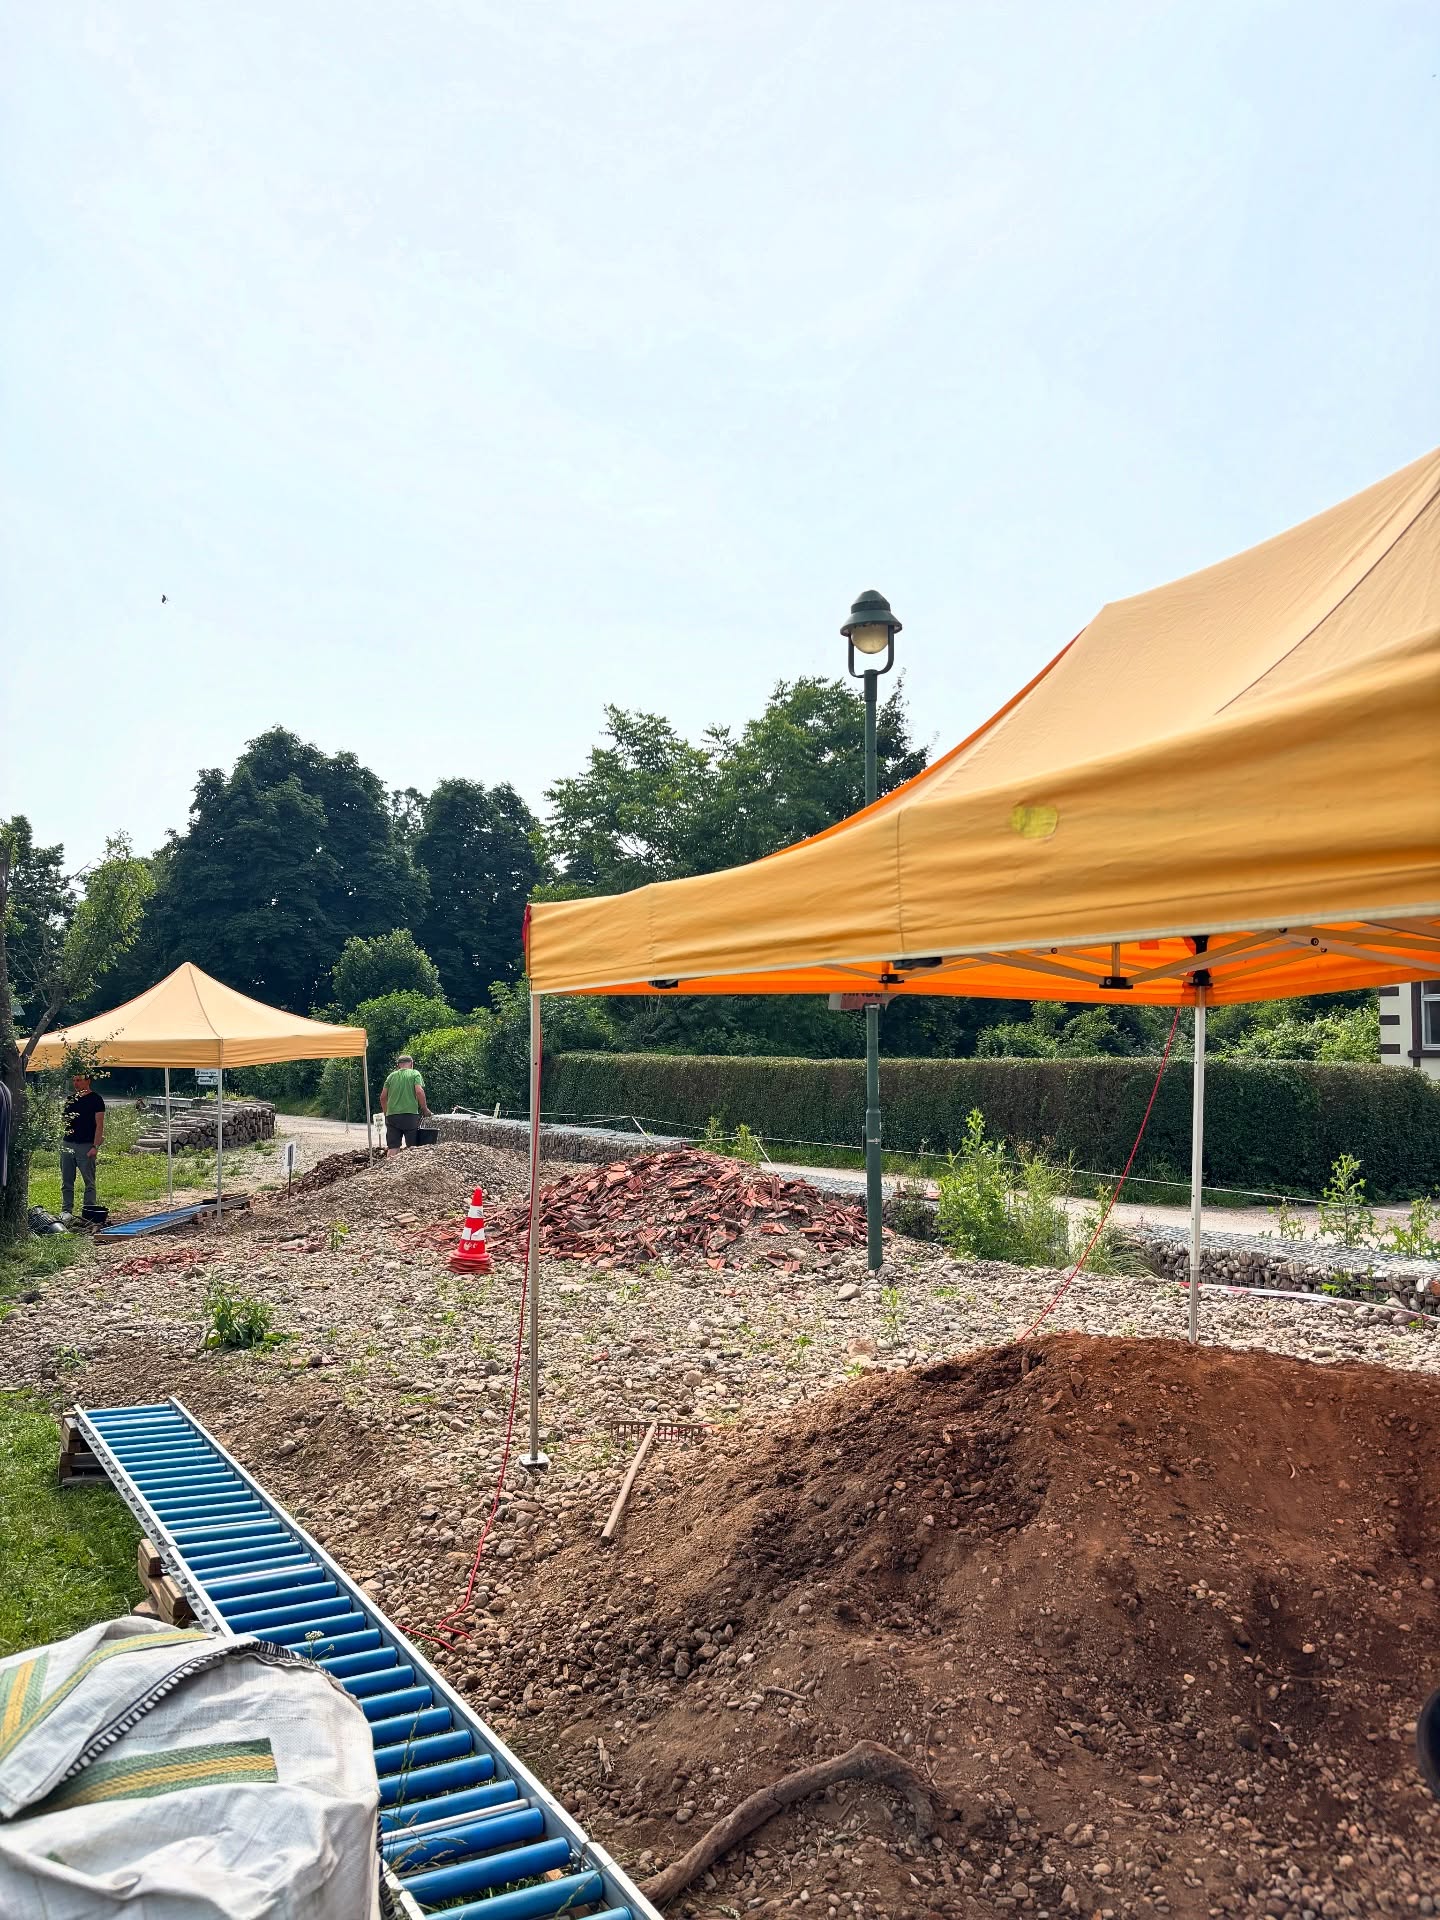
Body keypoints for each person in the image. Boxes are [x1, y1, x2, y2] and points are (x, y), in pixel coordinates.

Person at [60, 1073, 106, 1223]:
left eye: (79, 1080)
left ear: (88, 1081)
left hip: (86, 1145)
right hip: (68, 1143)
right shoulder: (70, 1099)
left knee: (89, 1182)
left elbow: (99, 1125)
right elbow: (64, 1122)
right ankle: (66, 1211)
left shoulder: (96, 1100)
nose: (76, 1083)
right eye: (74, 1080)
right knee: (67, 1180)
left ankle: (89, 1211)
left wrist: (95, 1145)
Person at [379, 1052, 429, 1157]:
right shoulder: (415, 1073)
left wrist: (386, 1113)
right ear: (411, 1063)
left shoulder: (391, 1076)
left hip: (392, 1116)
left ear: (398, 1065)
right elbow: (419, 1091)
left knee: (393, 1147)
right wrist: (424, 1108)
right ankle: (411, 1171)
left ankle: (389, 1171)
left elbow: (383, 1097)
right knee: (412, 1147)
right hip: (409, 1115)